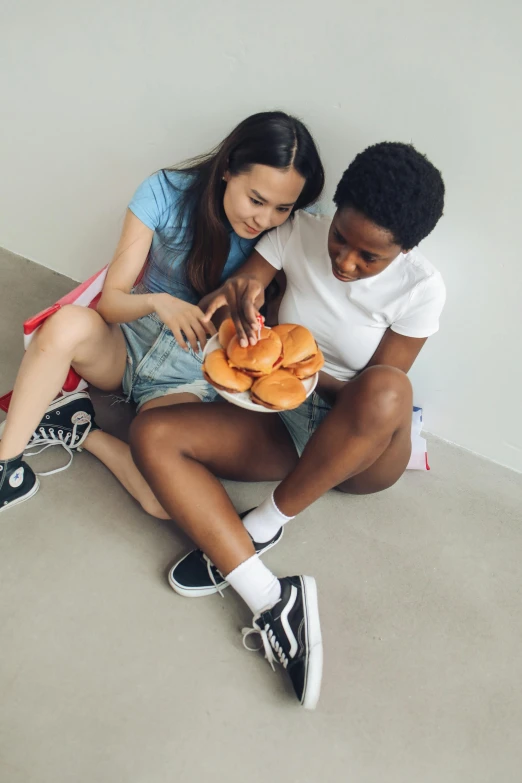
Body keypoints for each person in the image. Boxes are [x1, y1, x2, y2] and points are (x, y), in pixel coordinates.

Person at [129, 142, 446, 709]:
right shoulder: (298, 231)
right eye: (340, 240)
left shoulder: (421, 289)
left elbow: (376, 398)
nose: (345, 263)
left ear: (406, 249)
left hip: (360, 447)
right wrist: (238, 301)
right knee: (153, 435)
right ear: (335, 211)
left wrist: (295, 371)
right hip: (281, 415)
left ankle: (267, 521)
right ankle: (271, 597)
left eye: (368, 258)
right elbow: (228, 299)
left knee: (389, 388)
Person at [0, 112, 324, 515]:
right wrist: (157, 302)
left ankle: (81, 430)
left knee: (165, 501)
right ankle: (5, 466)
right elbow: (112, 301)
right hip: (128, 340)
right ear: (227, 169)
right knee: (64, 324)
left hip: (191, 373)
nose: (264, 219)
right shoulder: (165, 192)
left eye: (281, 208)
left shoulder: (285, 232)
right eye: (256, 200)